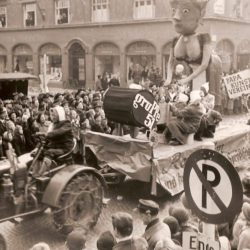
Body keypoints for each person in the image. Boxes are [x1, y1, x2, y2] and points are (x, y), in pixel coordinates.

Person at [165, 0, 222, 108]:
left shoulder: (204, 38)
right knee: (185, 101)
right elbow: (170, 62)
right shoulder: (175, 40)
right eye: (174, 11)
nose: (176, 17)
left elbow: (204, 64)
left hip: (204, 75)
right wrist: (169, 78)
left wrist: (187, 79)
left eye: (185, 11)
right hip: (188, 76)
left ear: (200, 17)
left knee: (201, 101)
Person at [32, 106, 74, 176]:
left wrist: (46, 134)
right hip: (56, 147)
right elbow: (47, 138)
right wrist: (38, 146)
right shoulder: (53, 125)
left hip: (64, 148)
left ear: (60, 115)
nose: (52, 117)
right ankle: (34, 173)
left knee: (49, 152)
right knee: (39, 152)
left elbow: (59, 132)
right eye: (51, 115)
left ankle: (40, 174)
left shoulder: (66, 123)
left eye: (54, 115)